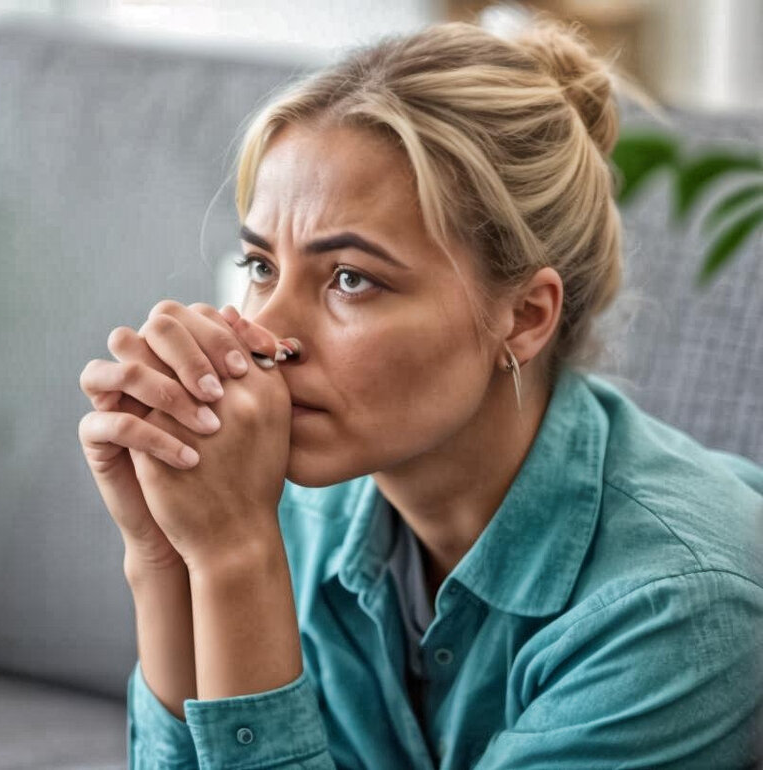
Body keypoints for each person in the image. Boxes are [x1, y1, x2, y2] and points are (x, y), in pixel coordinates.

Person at [77, 15, 763, 769]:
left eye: (350, 279)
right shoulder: (299, 513)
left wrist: (238, 561)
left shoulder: (677, 607)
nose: (266, 337)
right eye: (262, 267)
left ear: (525, 317)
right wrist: (162, 556)